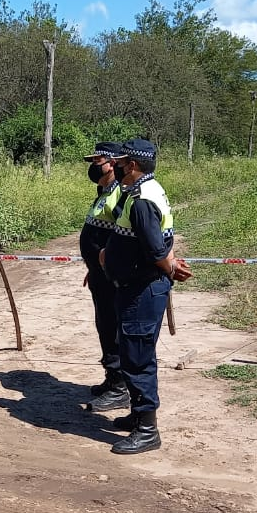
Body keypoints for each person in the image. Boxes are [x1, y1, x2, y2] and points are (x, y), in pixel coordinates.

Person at [101, 140, 192, 454]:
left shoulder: (141, 199)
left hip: (141, 290)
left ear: (133, 166)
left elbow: (154, 249)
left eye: (121, 162)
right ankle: (138, 416)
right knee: (134, 354)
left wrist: (169, 268)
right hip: (139, 287)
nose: (115, 166)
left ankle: (147, 430)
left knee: (138, 359)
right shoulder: (146, 190)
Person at [78, 141, 129, 412]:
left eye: (97, 161)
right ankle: (112, 379)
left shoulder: (120, 193)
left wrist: (107, 264)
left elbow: (122, 236)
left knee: (112, 326)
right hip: (99, 273)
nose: (93, 166)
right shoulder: (104, 191)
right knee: (104, 325)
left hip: (113, 276)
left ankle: (121, 386)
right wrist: (92, 266)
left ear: (112, 163)